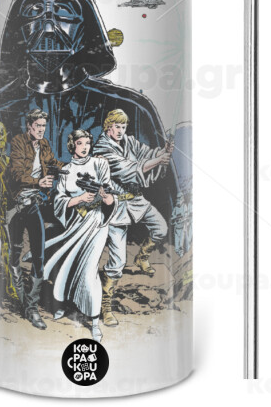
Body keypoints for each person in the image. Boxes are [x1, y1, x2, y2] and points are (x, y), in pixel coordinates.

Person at [94, 109, 174, 327]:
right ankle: (106, 307)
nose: (121, 131)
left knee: (161, 228)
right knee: (117, 263)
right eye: (117, 126)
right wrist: (159, 160)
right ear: (108, 127)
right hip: (116, 207)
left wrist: (163, 151)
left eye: (123, 127)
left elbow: (147, 154)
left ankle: (142, 257)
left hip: (136, 200)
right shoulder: (102, 149)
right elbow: (128, 170)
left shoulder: (129, 141)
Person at [43, 129, 115, 342]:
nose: (85, 147)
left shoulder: (100, 164)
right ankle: (62, 303)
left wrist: (107, 198)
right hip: (75, 223)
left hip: (96, 223)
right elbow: (59, 201)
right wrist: (80, 199)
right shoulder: (66, 170)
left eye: (87, 143)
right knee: (68, 264)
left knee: (89, 270)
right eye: (80, 143)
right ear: (72, 145)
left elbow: (109, 196)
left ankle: (94, 322)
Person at [3, 108, 63, 330]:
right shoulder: (19, 142)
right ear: (29, 126)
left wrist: (75, 166)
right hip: (16, 206)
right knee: (15, 253)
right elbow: (17, 173)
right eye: (37, 126)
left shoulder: (44, 144)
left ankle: (31, 307)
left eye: (43, 126)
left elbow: (54, 164)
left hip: (33, 205)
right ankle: (21, 298)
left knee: (39, 255)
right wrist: (38, 182)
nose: (41, 130)